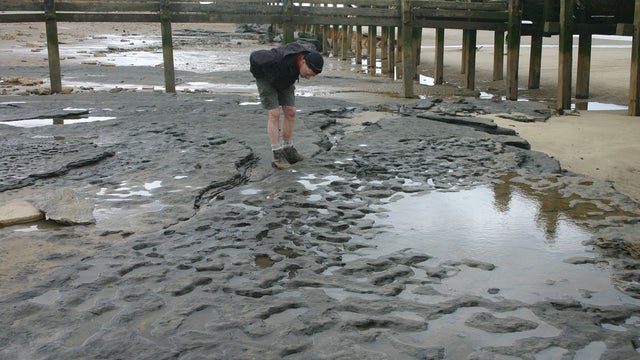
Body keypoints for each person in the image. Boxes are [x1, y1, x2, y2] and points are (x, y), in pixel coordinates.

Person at [249, 41, 324, 169]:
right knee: (275, 113)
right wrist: (261, 77)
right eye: (309, 73)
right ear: (303, 62)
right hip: (266, 80)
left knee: (291, 111)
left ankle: (289, 151)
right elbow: (254, 56)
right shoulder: (276, 58)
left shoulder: (308, 54)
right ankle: (277, 154)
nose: (309, 78)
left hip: (286, 80)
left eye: (312, 76)